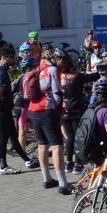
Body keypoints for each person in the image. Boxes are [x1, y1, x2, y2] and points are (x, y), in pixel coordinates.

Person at [0, 47, 34, 175]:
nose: (13, 59)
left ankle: (27, 160)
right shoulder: (1, 72)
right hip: (1, 110)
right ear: (3, 58)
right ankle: (3, 166)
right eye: (10, 57)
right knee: (3, 138)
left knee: (13, 135)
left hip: (3, 109)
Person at [27, 48, 69, 193]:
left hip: (32, 111)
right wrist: (58, 109)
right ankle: (63, 184)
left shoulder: (37, 69)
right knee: (57, 146)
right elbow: (57, 92)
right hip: (47, 111)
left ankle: (47, 179)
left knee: (42, 145)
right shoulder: (52, 70)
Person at [59, 51, 100, 175]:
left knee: (69, 137)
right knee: (77, 137)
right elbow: (94, 76)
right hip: (76, 110)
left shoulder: (59, 76)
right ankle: (77, 164)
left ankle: (68, 163)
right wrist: (100, 70)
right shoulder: (77, 76)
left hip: (63, 110)